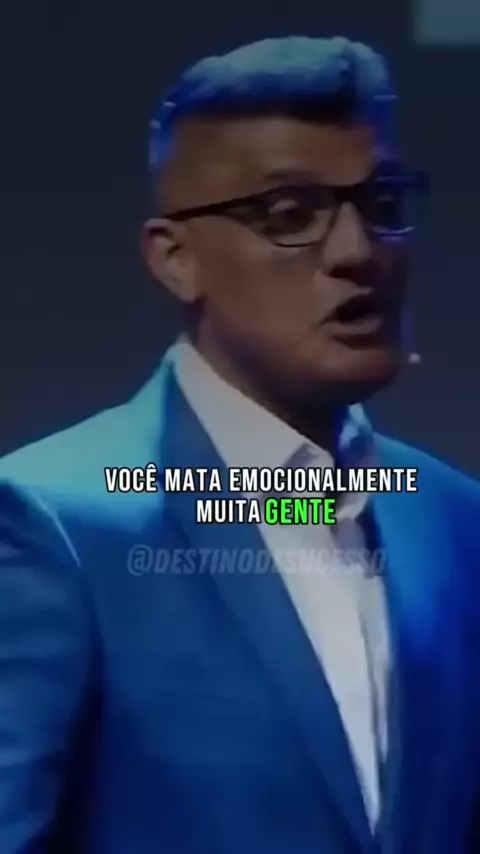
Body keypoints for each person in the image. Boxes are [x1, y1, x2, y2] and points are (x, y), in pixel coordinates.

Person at [0, 35, 479, 854]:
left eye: (382, 204)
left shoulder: (456, 521)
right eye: (290, 216)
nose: (358, 252)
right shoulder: (57, 524)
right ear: (176, 259)